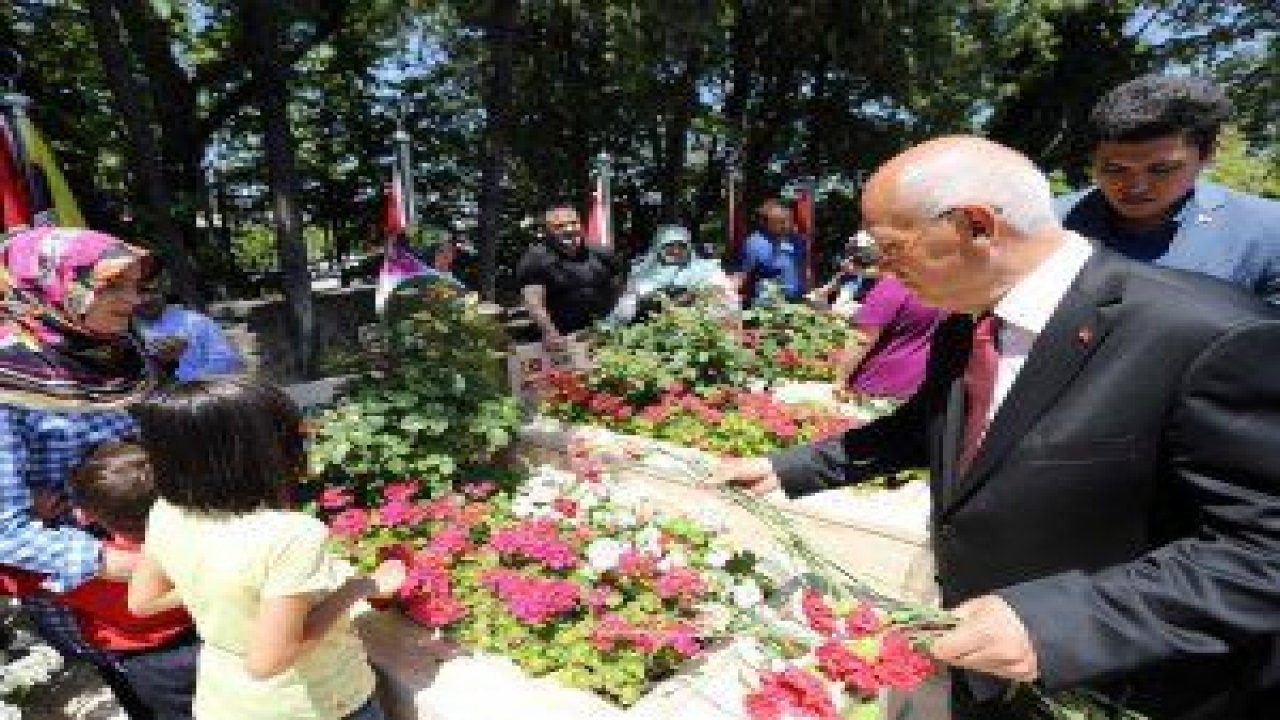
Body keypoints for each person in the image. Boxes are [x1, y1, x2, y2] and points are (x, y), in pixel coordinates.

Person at [712, 136, 1280, 720]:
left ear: (975, 226)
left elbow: (1263, 550)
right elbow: (930, 428)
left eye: (890, 247)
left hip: (1126, 680)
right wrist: (788, 468)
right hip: (989, 666)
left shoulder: (1209, 334)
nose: (882, 269)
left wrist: (1059, 623)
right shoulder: (970, 322)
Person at [127, 376, 405, 720]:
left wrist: (223, 588)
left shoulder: (166, 510)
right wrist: (359, 587)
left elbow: (143, 602)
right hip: (314, 703)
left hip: (225, 701)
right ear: (257, 451)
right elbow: (268, 662)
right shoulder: (291, 535)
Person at [0, 227, 155, 698]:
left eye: (134, 284)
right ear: (50, 286)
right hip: (100, 593)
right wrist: (137, 565)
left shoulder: (118, 355)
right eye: (110, 285)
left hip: (169, 551)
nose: (131, 299)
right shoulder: (9, 381)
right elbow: (6, 531)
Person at [0, 441, 197, 719]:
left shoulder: (82, 570)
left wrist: (34, 517)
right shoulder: (199, 534)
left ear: (84, 514)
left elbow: (10, 573)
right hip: (207, 634)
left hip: (150, 663)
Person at [1059, 73, 1280, 302]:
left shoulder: (1269, 232)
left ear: (1207, 155)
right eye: (1115, 169)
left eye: (1161, 169)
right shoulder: (1047, 224)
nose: (1137, 186)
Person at [516, 204, 620, 350]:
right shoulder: (535, 259)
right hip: (560, 339)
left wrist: (614, 322)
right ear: (547, 231)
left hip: (602, 333)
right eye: (560, 226)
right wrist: (549, 332)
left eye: (574, 223)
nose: (569, 229)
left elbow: (618, 291)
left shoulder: (603, 254)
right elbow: (533, 302)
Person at [833, 270, 943, 402]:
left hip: (874, 385)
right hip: (914, 388)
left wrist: (839, 380)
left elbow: (862, 339)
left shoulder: (897, 284)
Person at [605, 224, 737, 326]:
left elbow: (727, 300)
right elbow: (626, 306)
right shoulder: (643, 270)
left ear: (689, 246)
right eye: (669, 245)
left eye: (681, 245)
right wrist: (608, 328)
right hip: (651, 330)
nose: (676, 251)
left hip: (698, 329)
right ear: (658, 246)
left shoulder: (708, 269)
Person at [134, 264, 245, 381]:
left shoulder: (196, 322)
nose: (145, 298)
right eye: (138, 293)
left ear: (163, 291)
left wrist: (182, 361)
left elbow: (229, 362)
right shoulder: (125, 331)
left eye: (151, 291)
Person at [734, 198, 810, 306]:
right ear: (765, 223)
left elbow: (803, 267)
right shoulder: (754, 244)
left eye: (789, 220)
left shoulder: (797, 240)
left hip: (798, 303)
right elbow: (742, 276)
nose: (787, 225)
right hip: (769, 306)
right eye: (781, 222)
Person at [809, 232, 880, 317]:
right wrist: (815, 295)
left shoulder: (873, 274)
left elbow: (872, 273)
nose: (851, 255)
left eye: (855, 250)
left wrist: (853, 269)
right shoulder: (847, 274)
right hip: (837, 314)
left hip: (854, 317)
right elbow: (827, 288)